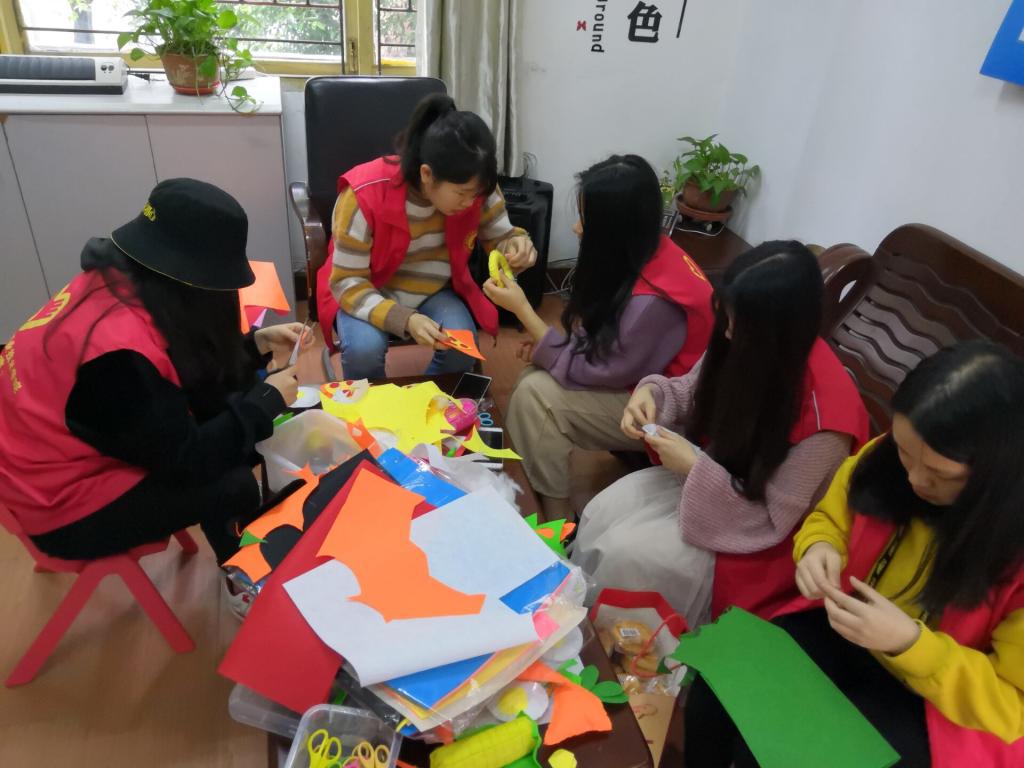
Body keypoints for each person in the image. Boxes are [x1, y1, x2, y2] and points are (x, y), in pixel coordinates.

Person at [684, 341, 1024, 768]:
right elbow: (832, 515)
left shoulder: (1010, 544)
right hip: (844, 632)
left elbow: (1012, 704)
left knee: (783, 753)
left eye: (940, 475)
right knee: (721, 678)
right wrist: (818, 546)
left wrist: (911, 643)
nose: (915, 480)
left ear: (998, 470)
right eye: (904, 452)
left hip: (936, 701)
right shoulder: (892, 458)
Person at [0, 178, 308, 564]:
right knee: (233, 483)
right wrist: (264, 402)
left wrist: (254, 346)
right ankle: (245, 574)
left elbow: (177, 377)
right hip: (57, 505)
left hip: (58, 454)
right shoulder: (114, 359)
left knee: (230, 423)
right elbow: (187, 460)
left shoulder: (116, 280)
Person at [571, 241, 869, 626]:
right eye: (726, 317)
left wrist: (694, 466)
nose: (726, 332)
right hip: (715, 482)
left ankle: (605, 643)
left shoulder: (826, 421)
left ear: (777, 328)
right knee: (602, 511)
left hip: (755, 538)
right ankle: (575, 616)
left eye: (736, 322)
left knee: (627, 554)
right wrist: (652, 395)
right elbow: (691, 389)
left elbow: (771, 521)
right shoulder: (749, 343)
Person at [485, 154, 714, 521]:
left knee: (536, 398)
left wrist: (524, 312)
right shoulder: (647, 251)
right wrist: (550, 345)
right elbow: (606, 341)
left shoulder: (654, 303)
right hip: (641, 381)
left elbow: (601, 369)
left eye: (586, 219)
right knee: (534, 378)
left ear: (614, 229)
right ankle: (539, 499)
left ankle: (557, 520)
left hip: (671, 412)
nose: (577, 228)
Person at [317, 94, 537, 380]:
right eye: (462, 194)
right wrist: (405, 319)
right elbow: (346, 281)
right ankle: (372, 403)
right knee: (364, 351)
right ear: (427, 174)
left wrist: (516, 245)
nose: (471, 203)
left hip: (433, 290)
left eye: (477, 194)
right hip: (365, 287)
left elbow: (500, 236)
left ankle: (430, 396)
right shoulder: (364, 194)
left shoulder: (474, 186)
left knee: (461, 346)